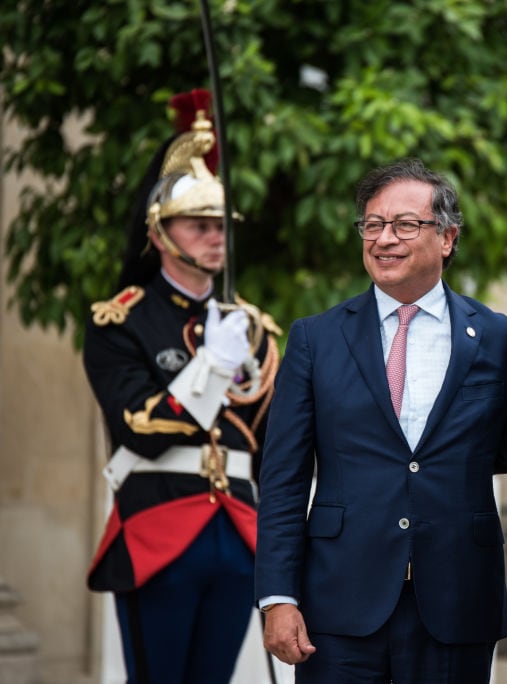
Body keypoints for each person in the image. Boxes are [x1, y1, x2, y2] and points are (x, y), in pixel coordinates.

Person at [254, 158, 507, 683]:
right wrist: (277, 596)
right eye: (372, 225)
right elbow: (282, 477)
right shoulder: (315, 338)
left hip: (457, 599)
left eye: (404, 224)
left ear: (447, 238)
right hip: (336, 604)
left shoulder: (496, 336)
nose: (383, 239)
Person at [83, 89, 280, 683]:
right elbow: (138, 426)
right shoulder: (121, 319)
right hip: (161, 525)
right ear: (161, 231)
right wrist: (212, 369)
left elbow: (272, 445)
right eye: (199, 225)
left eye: (222, 226)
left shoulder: (256, 328)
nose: (216, 237)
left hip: (239, 529)